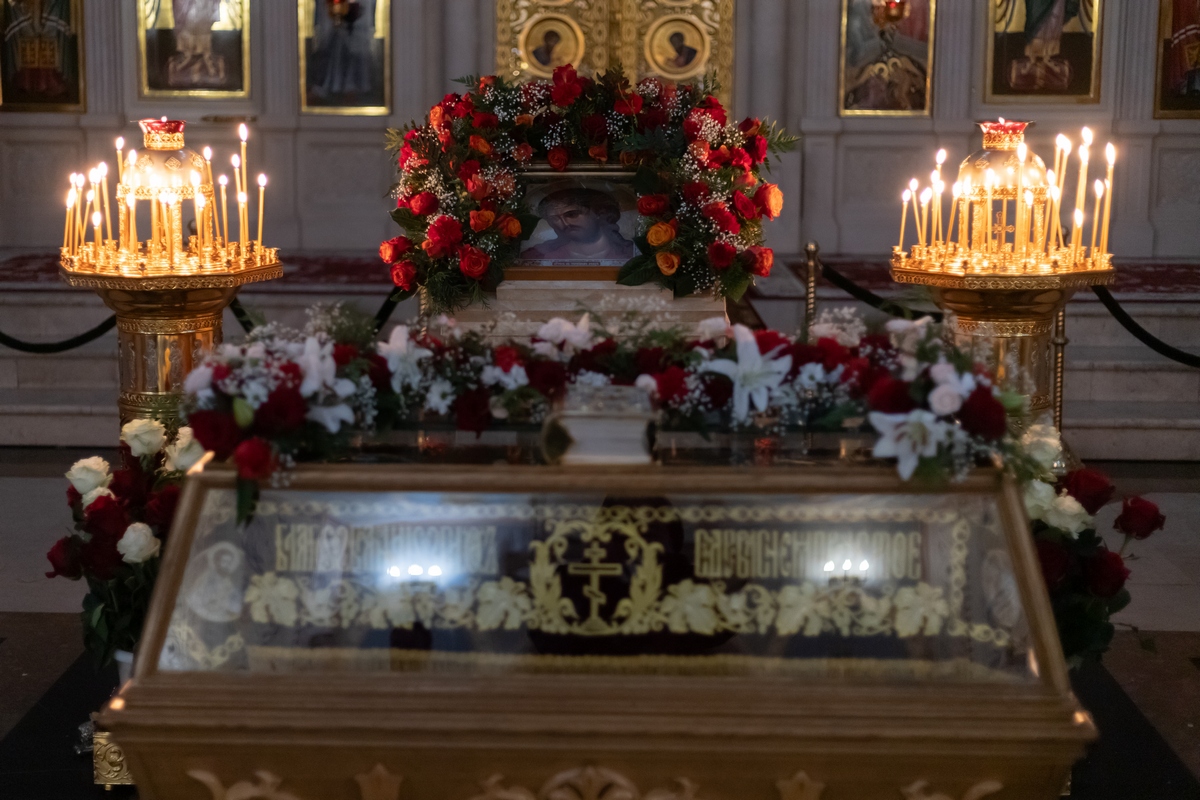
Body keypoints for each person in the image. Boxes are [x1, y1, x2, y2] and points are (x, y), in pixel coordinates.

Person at [522, 188, 637, 263]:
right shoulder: (536, 256)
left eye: (572, 214)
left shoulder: (631, 253)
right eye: (554, 219)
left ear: (599, 213)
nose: (564, 224)